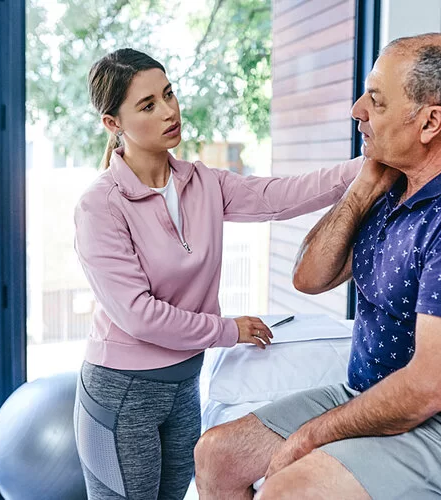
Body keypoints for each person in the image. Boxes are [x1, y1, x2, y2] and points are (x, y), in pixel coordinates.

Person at [194, 33, 441, 500]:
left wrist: (310, 438)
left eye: (375, 100)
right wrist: (363, 187)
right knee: (217, 453)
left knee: (290, 488)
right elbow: (309, 278)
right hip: (371, 398)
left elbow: (431, 389)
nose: (358, 109)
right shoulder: (393, 186)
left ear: (430, 122)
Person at [72, 48, 364, 500]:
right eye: (148, 105)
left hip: (183, 383)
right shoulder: (101, 205)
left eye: (169, 94)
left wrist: (370, 167)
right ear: (114, 124)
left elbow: (280, 196)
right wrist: (228, 330)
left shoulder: (202, 183)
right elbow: (139, 316)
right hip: (122, 393)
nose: (170, 111)